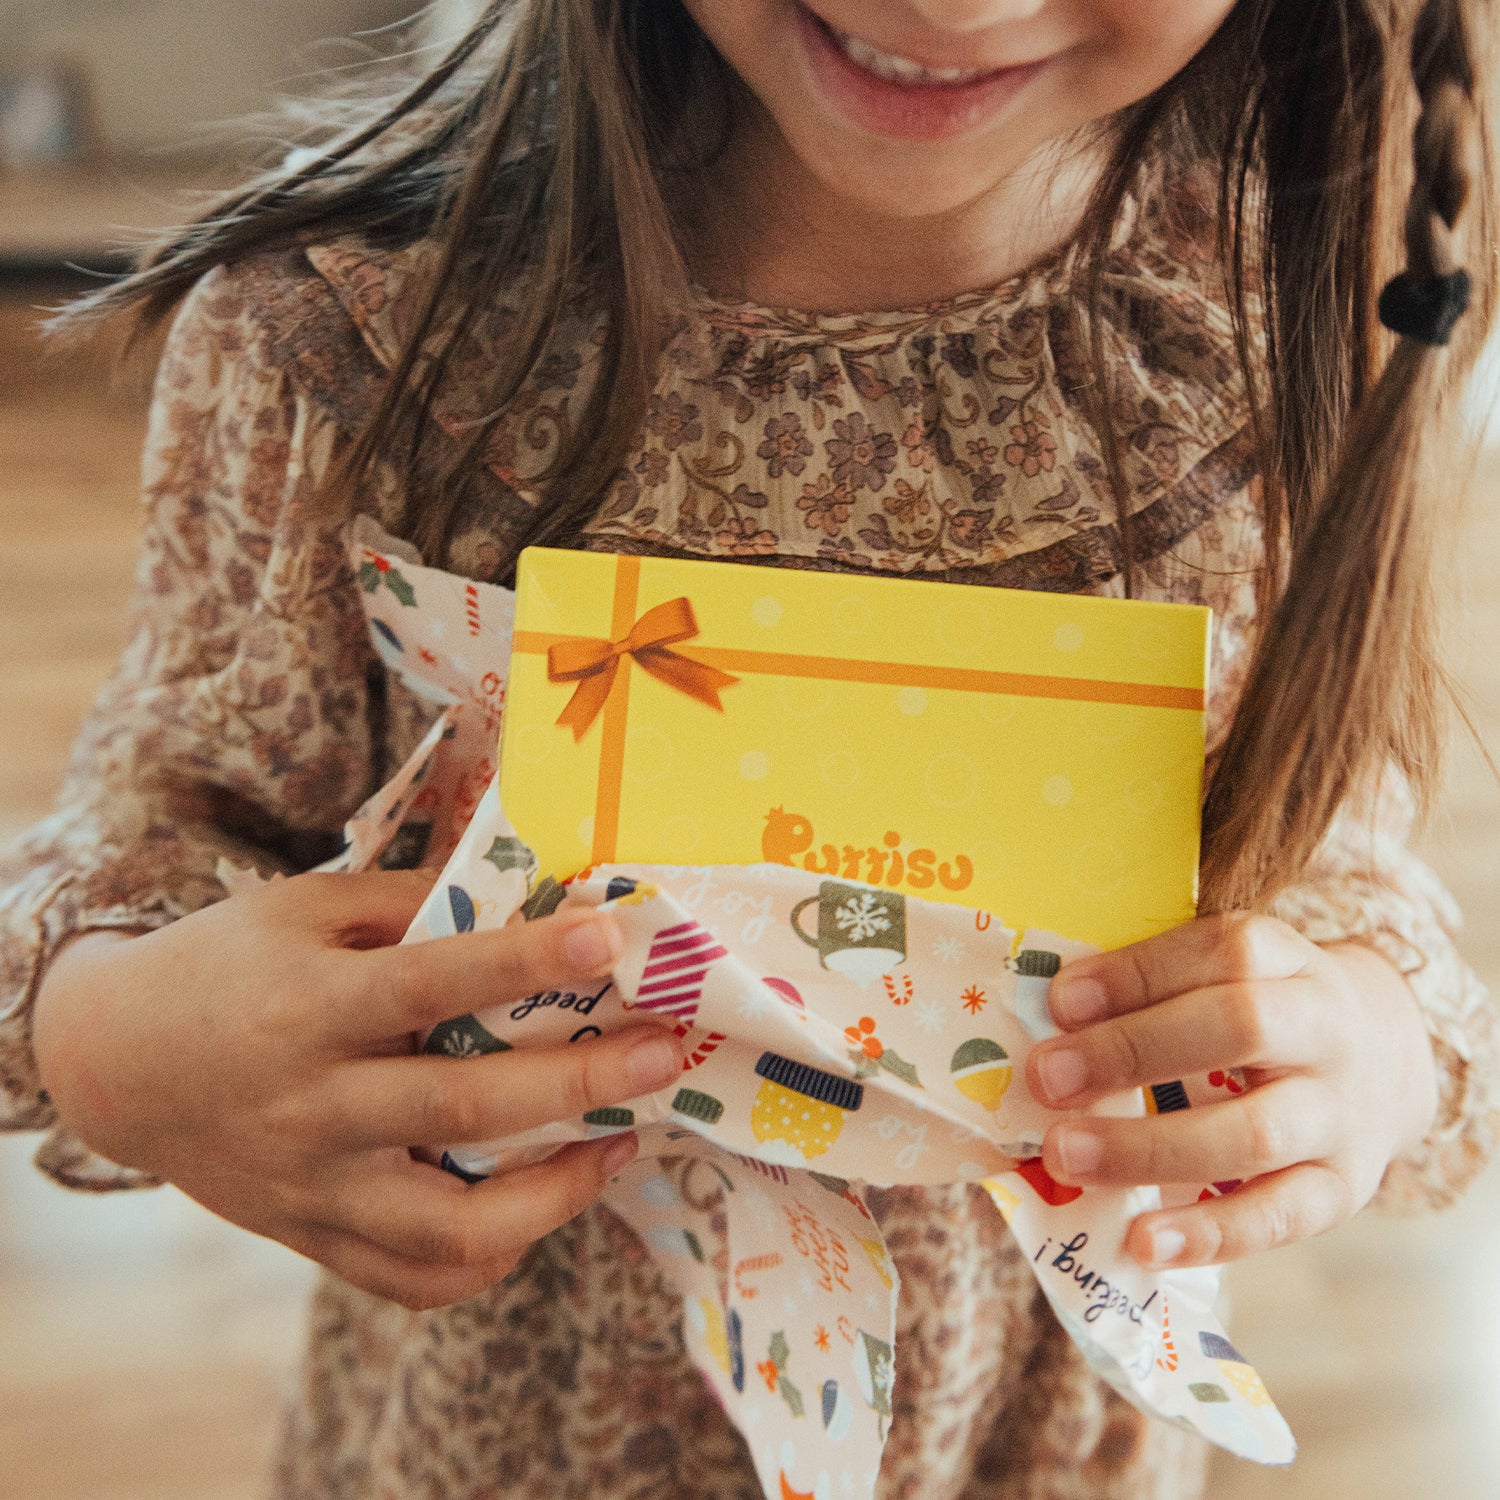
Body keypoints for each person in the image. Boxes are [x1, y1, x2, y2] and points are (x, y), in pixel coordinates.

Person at [3, 1, 1496, 1495]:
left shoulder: (1310, 313)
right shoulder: (349, 329)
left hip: (1035, 1442)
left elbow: (1328, 857)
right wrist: (107, 1033)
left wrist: (1363, 1042)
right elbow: (160, 824)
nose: (951, 4)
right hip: (504, 1434)